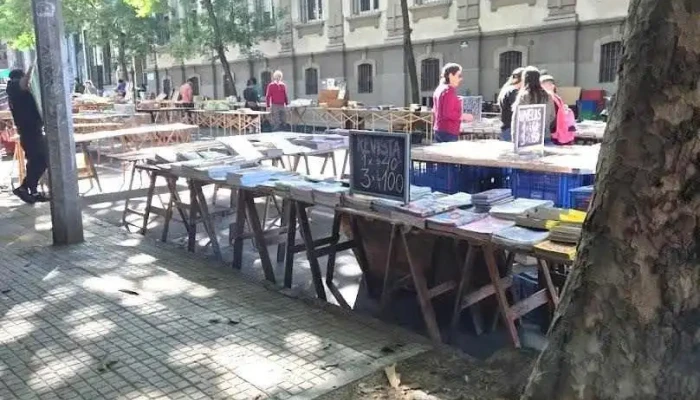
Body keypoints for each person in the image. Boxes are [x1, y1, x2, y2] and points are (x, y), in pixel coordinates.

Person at [6, 67, 49, 204]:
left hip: (32, 130)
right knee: (41, 159)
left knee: (35, 161)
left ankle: (32, 191)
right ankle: (24, 188)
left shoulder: (17, 92)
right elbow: (24, 83)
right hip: (29, 131)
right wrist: (32, 67)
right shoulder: (13, 87)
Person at [511, 66, 556, 145]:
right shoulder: (548, 96)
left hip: (526, 138)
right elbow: (552, 116)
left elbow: (516, 119)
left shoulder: (523, 96)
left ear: (525, 79)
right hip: (545, 135)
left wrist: (514, 137)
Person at [432, 63, 473, 143]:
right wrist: (464, 116)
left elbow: (436, 110)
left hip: (439, 129)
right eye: (459, 75)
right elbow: (448, 113)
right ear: (451, 75)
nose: (461, 79)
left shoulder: (439, 89)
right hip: (448, 131)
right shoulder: (448, 90)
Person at [541, 74, 576, 145]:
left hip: (555, 131)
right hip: (555, 131)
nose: (552, 86)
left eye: (552, 84)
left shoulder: (554, 97)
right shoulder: (549, 97)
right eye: (548, 84)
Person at [497, 67, 524, 142]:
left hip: (506, 129)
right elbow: (518, 110)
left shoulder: (506, 89)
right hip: (511, 129)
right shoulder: (513, 92)